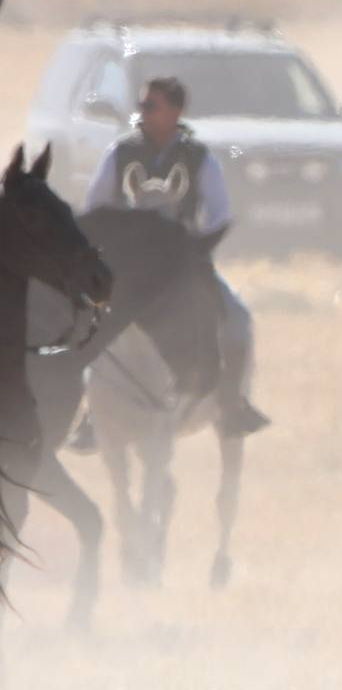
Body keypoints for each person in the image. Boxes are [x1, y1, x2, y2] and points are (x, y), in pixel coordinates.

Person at [82, 76, 269, 435]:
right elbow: (96, 207)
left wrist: (190, 251)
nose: (143, 113)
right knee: (88, 323)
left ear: (175, 111)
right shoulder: (120, 153)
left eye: (152, 106)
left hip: (184, 270)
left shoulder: (200, 158)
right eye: (142, 106)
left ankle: (232, 406)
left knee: (238, 319)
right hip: (131, 271)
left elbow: (219, 216)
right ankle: (93, 412)